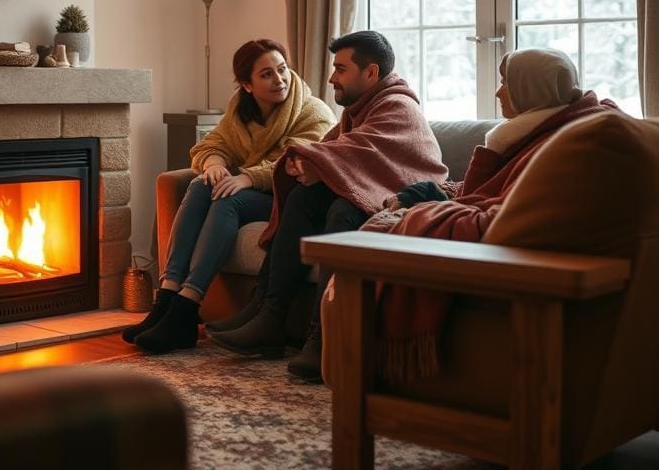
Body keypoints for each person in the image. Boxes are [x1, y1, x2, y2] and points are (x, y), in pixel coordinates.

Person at [337, 47, 618, 383]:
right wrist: (426, 193)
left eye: (506, 83)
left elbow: (495, 208)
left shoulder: (560, 143)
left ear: (532, 88)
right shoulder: (547, 131)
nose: (497, 92)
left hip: (509, 267)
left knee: (369, 230)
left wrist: (423, 212)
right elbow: (483, 193)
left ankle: (348, 358)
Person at [208, 31, 448, 383]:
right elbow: (336, 148)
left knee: (343, 212)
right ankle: (270, 316)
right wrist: (307, 163)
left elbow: (375, 158)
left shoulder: (398, 106)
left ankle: (325, 338)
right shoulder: (358, 110)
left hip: (403, 202)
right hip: (370, 193)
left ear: (370, 73)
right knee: (304, 197)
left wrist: (314, 160)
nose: (332, 78)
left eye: (340, 69)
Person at [122, 38, 336, 354]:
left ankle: (188, 304)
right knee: (200, 185)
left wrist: (248, 177)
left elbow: (297, 163)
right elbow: (213, 144)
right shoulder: (241, 110)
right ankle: (167, 298)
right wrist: (215, 164)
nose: (279, 80)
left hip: (291, 199)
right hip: (255, 192)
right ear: (247, 85)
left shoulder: (312, 111)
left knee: (228, 199)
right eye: (267, 74)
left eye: (282, 69)